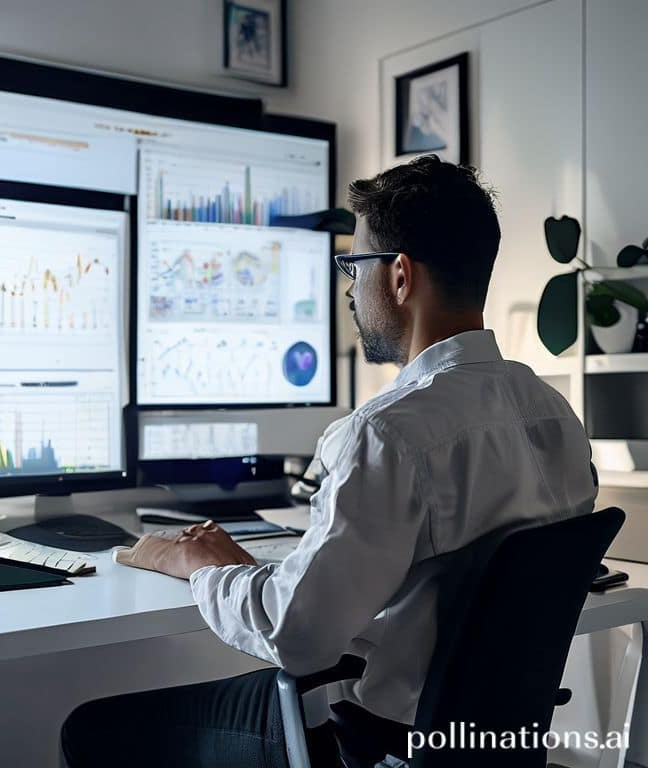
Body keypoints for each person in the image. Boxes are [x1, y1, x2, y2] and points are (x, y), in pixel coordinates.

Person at [61, 155, 598, 768]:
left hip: (371, 741)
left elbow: (299, 638)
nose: (348, 287)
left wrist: (198, 565)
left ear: (398, 276)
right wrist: (275, 578)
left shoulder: (388, 434)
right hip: (487, 743)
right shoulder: (555, 414)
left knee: (92, 730)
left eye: (353, 264)